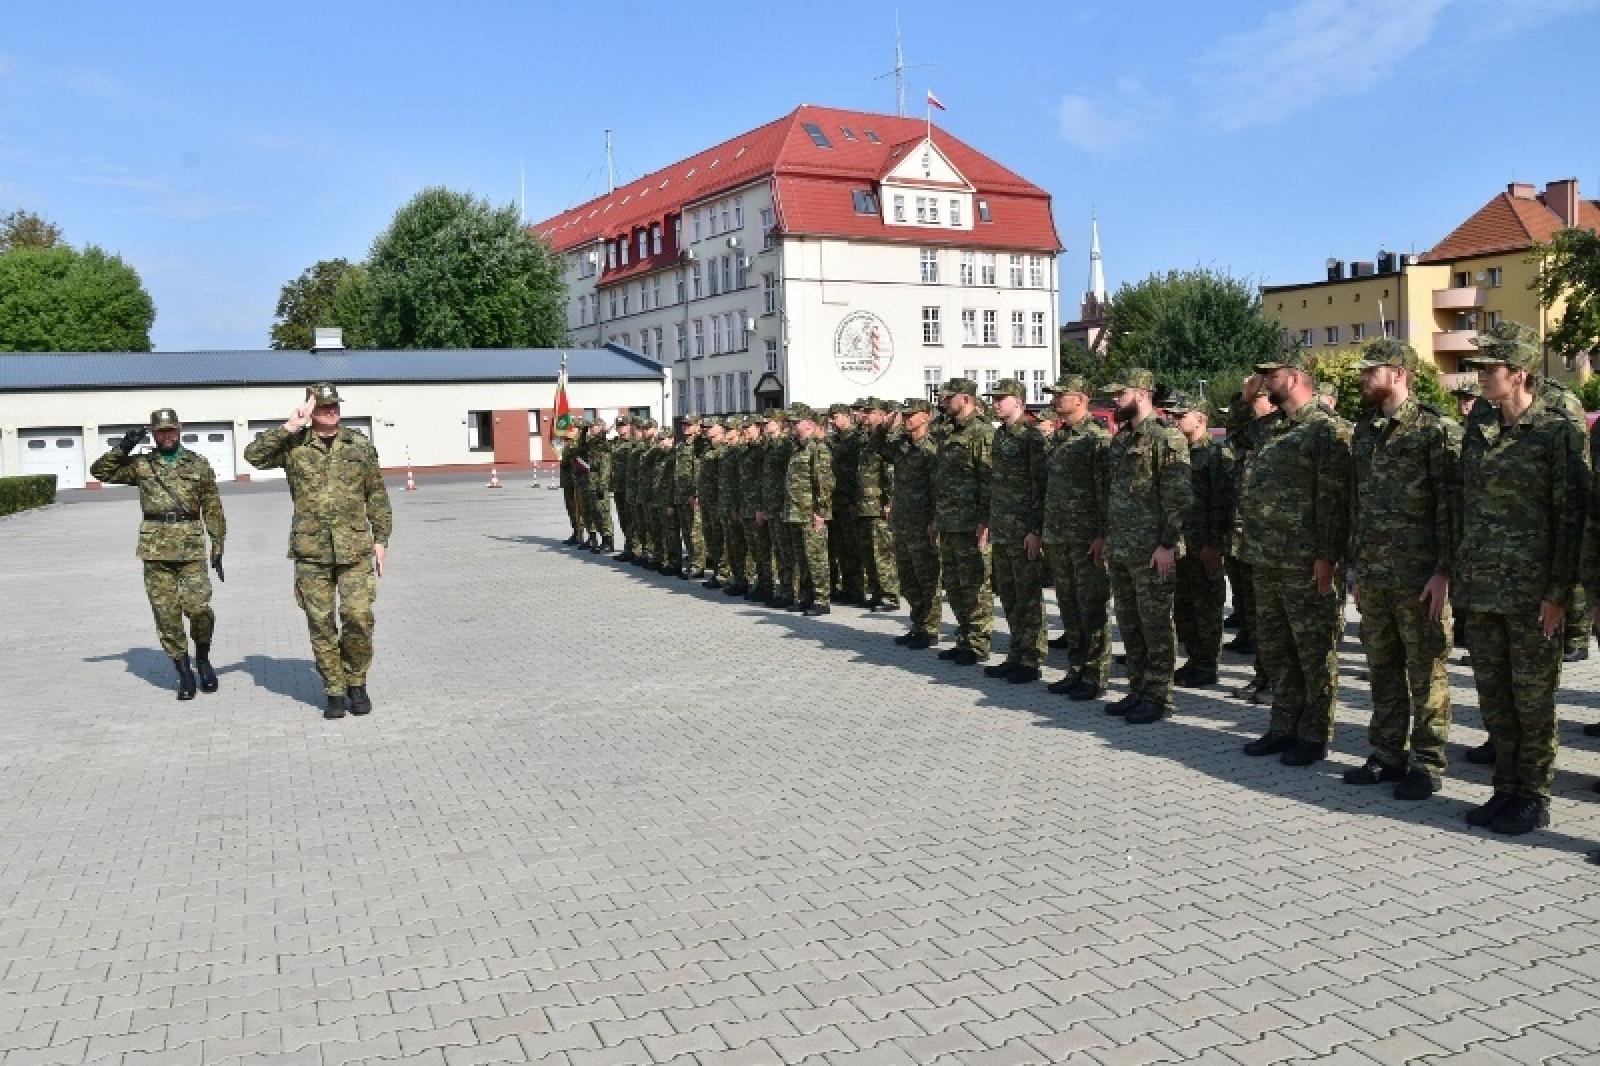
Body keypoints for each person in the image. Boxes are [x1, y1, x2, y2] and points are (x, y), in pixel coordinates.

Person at [1454, 322, 1586, 834]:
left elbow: (1569, 518)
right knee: (1494, 698)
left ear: (1520, 372)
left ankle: (1534, 795)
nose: (1481, 376)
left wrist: (1559, 595)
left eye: (1491, 368)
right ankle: (1504, 789)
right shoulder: (1482, 425)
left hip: (1533, 593)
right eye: (1480, 367)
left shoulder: (1557, 429)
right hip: (1484, 588)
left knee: (1533, 701)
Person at [1345, 339, 1461, 800]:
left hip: (1420, 578)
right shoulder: (1365, 430)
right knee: (1382, 669)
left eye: (1370, 371)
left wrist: (1444, 572)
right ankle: (1387, 753)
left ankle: (1428, 762)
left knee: (1426, 671)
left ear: (1398, 373)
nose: (1362, 378)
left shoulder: (1434, 430)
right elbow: (1359, 504)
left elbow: (1451, 510)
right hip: (1375, 575)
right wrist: (1356, 567)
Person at [244, 383, 393, 719]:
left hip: (355, 549)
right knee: (320, 623)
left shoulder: (359, 445)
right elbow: (253, 457)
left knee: (358, 618)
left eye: (335, 406)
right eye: (323, 407)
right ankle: (335, 690)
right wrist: (289, 427)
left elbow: (377, 495)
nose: (331, 411)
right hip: (311, 551)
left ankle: (357, 682)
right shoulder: (293, 445)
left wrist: (381, 539)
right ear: (311, 410)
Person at [1234, 348, 1353, 766]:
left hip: (1306, 559)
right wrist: (1246, 399)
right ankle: (1283, 725)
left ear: (1297, 377)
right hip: (1266, 557)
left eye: (1272, 374)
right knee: (1276, 649)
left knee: (1314, 652)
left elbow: (1334, 500)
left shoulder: (1327, 430)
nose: (1265, 381)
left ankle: (1314, 734)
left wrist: (1328, 556)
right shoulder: (1272, 428)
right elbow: (1235, 437)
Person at [89, 408, 227, 700]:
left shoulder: (198, 465)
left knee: (199, 609)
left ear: (179, 430)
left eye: (171, 430)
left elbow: (212, 506)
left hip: (190, 549)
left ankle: (202, 658)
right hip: (155, 549)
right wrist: (124, 446)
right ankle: (184, 673)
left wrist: (218, 544)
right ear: (153, 434)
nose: (167, 435)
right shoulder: (142, 465)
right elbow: (100, 471)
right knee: (166, 616)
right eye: (161, 431)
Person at [1096, 369, 1192, 725]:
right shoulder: (1122, 440)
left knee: (1156, 626)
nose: (1113, 401)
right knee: (1130, 623)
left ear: (1140, 393)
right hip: (1122, 547)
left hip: (1153, 551)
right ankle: (1138, 689)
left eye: (1119, 394)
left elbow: (1179, 496)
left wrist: (1167, 543)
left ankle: (1159, 695)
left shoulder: (1166, 437)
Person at [1041, 375, 1112, 702]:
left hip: (1085, 538)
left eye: (1061, 395)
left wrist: (1100, 534)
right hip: (1059, 535)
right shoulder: (1060, 437)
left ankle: (1095, 675)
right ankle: (1076, 668)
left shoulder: (1095, 439)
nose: (1055, 400)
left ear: (1081, 399)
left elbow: (1104, 491)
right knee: (1069, 606)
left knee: (1091, 607)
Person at [982, 378, 1049, 684]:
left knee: (1028, 597)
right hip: (1003, 528)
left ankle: (1032, 658)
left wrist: (1036, 529)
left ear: (1018, 402)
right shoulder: (1001, 436)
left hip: (1024, 530)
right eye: (994, 398)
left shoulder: (1031, 437)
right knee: (1008, 596)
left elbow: (1040, 486)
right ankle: (1016, 653)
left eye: (1001, 398)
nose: (995, 403)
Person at [1165, 392, 1230, 689]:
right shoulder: (1178, 453)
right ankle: (1193, 659)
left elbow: (1223, 503)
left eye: (1181, 416)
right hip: (1181, 544)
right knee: (1184, 608)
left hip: (1204, 544)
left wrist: (1215, 545)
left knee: (1207, 608)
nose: (1175, 421)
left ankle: (1207, 665)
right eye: (1174, 416)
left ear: (1201, 419)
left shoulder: (1216, 455)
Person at [931, 378, 995, 666]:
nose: (943, 402)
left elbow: (987, 479)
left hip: (971, 523)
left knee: (975, 585)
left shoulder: (981, 432)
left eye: (948, 398)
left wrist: (984, 519)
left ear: (966, 399)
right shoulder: (948, 432)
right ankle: (964, 637)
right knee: (954, 586)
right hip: (949, 521)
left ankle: (978, 642)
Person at [887, 399, 943, 648]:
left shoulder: (931, 449)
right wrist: (888, 425)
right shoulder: (902, 447)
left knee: (927, 578)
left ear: (926, 417)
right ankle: (917, 623)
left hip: (922, 523)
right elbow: (878, 447)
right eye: (905, 414)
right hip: (902, 521)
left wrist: (934, 521)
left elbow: (937, 489)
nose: (907, 418)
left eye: (912, 414)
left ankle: (930, 628)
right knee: (907, 578)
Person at [783, 405, 834, 615]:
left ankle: (822, 599)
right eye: (792, 422)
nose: (793, 425)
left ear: (810, 424)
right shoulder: (797, 448)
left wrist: (821, 512)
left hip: (811, 513)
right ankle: (806, 597)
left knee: (816, 557)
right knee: (801, 559)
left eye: (797, 422)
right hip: (795, 512)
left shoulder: (817, 448)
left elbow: (824, 482)